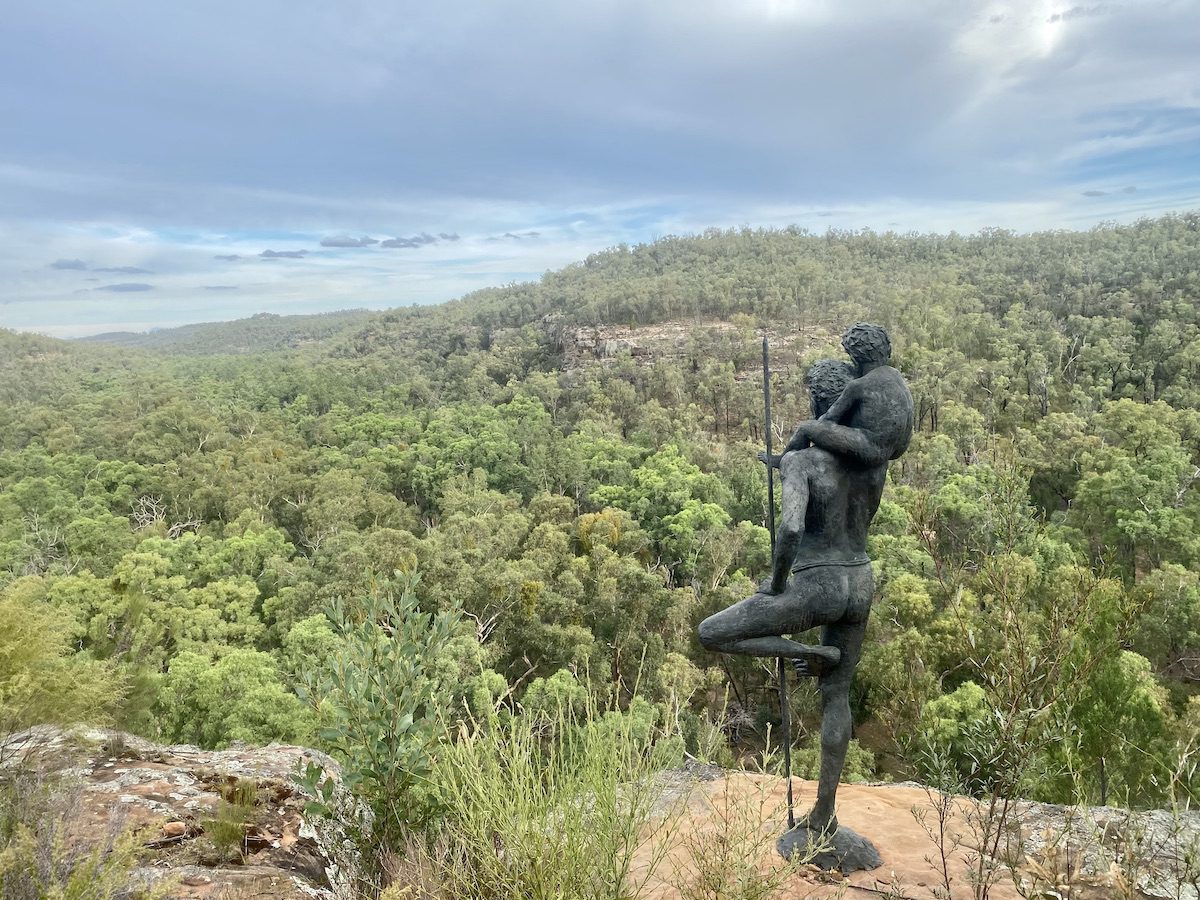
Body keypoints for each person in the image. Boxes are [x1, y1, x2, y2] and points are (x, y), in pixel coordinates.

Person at [698, 323, 913, 835]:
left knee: (712, 633)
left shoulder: (803, 458)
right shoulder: (874, 464)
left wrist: (775, 584)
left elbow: (791, 526)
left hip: (816, 583)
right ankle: (824, 813)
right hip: (860, 580)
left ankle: (815, 655)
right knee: (836, 698)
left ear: (818, 402)